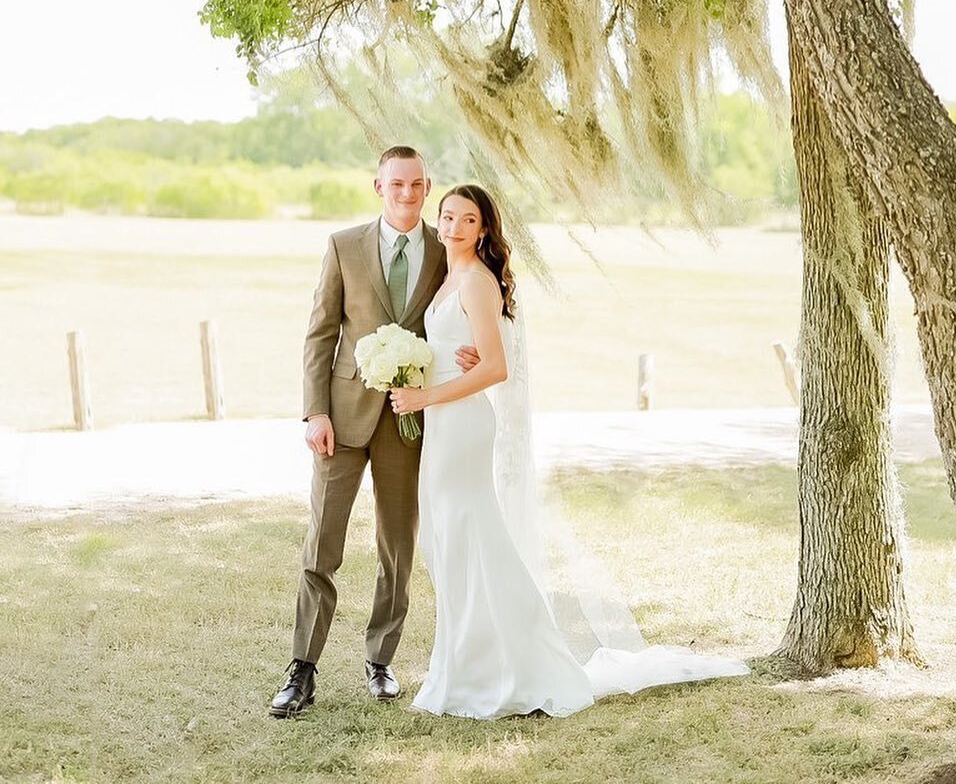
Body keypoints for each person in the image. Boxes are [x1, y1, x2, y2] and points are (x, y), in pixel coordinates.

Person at [390, 184, 749, 719]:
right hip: (441, 418)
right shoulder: (446, 278)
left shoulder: (478, 282)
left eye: (467, 220)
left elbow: (495, 368)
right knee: (452, 543)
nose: (454, 227)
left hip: (461, 423)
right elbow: (458, 351)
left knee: (469, 538)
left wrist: (425, 394)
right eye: (447, 217)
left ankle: (501, 670)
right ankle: (465, 665)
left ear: (484, 229)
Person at [271, 145, 470, 717]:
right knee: (322, 544)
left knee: (397, 547)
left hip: (408, 423)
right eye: (396, 184)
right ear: (377, 186)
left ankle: (380, 661)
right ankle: (301, 670)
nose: (407, 194)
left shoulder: (445, 249)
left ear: (427, 187)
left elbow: (462, 315)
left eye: (416, 185)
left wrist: (472, 351)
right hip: (341, 417)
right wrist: (315, 412)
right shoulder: (343, 245)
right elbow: (320, 333)